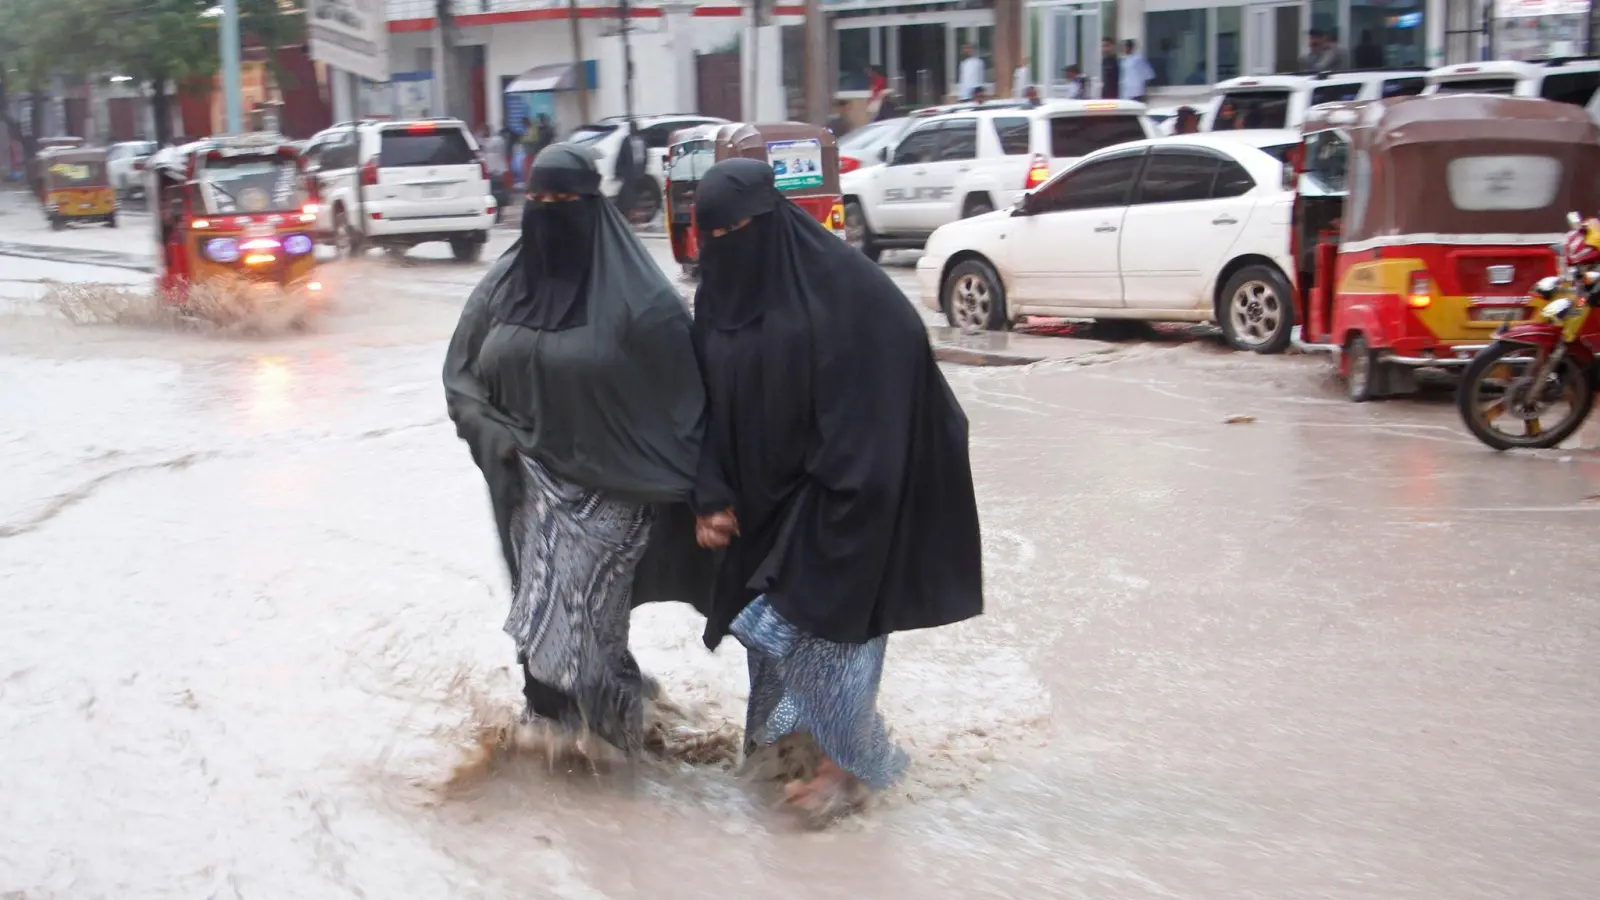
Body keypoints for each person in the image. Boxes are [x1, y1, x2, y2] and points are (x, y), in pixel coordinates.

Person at [688, 158, 985, 821]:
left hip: (850, 486)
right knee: (771, 644)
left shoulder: (850, 292)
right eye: (715, 234)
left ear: (771, 221)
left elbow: (898, 371)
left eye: (740, 228)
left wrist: (850, 479)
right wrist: (709, 492)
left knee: (830, 630)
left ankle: (845, 770)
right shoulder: (719, 294)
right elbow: (703, 396)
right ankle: (784, 759)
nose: (728, 243)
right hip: (759, 499)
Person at [442, 144, 714, 754]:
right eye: (538, 201)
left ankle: (613, 756)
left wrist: (712, 494)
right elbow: (460, 376)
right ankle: (577, 749)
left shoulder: (641, 302)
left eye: (564, 201)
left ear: (593, 205)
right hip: (523, 488)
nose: (549, 213)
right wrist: (494, 438)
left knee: (578, 632)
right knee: (542, 637)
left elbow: (688, 400)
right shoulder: (504, 286)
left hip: (613, 492)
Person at [479, 124, 510, 220]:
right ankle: (493, 214)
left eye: (484, 130)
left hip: (497, 171)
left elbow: (501, 151)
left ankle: (498, 214)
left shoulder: (497, 141)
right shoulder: (480, 142)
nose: (483, 133)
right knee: (489, 194)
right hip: (487, 172)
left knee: (498, 194)